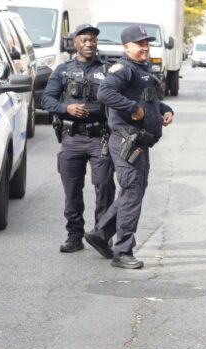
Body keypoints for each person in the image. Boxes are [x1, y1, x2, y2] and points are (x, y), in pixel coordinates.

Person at [83, 25, 174, 269]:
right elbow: (105, 92)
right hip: (127, 140)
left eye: (147, 43)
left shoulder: (141, 70)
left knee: (133, 191)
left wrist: (165, 110)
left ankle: (101, 234)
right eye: (140, 44)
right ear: (126, 47)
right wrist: (132, 109)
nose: (145, 47)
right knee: (132, 192)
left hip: (141, 142)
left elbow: (150, 100)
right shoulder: (123, 69)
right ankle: (123, 251)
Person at [41, 24, 115, 253]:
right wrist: (67, 108)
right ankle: (74, 236)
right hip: (71, 137)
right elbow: (46, 100)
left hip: (100, 137)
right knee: (72, 190)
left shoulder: (109, 70)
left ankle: (102, 234)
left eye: (92, 40)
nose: (89, 44)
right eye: (84, 40)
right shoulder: (63, 70)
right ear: (75, 43)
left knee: (104, 187)